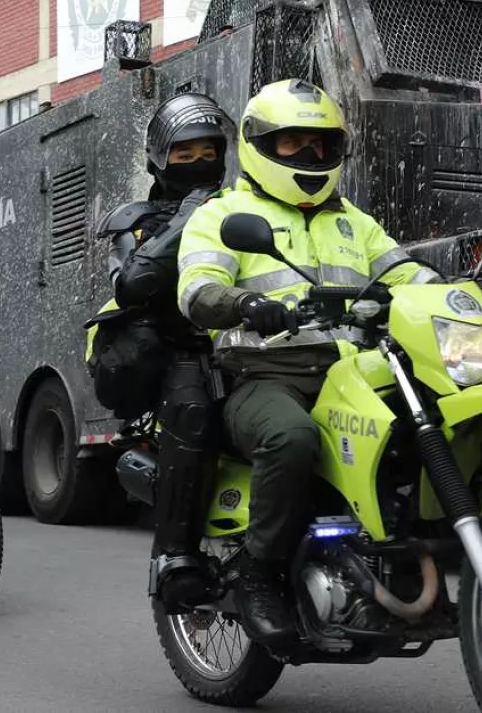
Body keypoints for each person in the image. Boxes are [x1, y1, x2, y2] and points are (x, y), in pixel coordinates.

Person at [176, 79, 442, 644]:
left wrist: (450, 292)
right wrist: (246, 304)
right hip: (263, 374)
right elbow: (198, 291)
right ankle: (260, 574)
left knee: (432, 418)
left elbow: (404, 273)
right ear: (258, 144)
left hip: (353, 369)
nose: (310, 157)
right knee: (292, 438)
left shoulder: (354, 221)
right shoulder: (224, 214)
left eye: (322, 145)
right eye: (293, 143)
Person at [88, 92, 235, 611]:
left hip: (251, 344)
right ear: (159, 158)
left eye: (208, 152)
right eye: (184, 155)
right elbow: (133, 283)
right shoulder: (135, 220)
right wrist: (188, 219)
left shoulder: (241, 205)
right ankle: (174, 558)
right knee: (194, 408)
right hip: (180, 350)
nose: (199, 164)